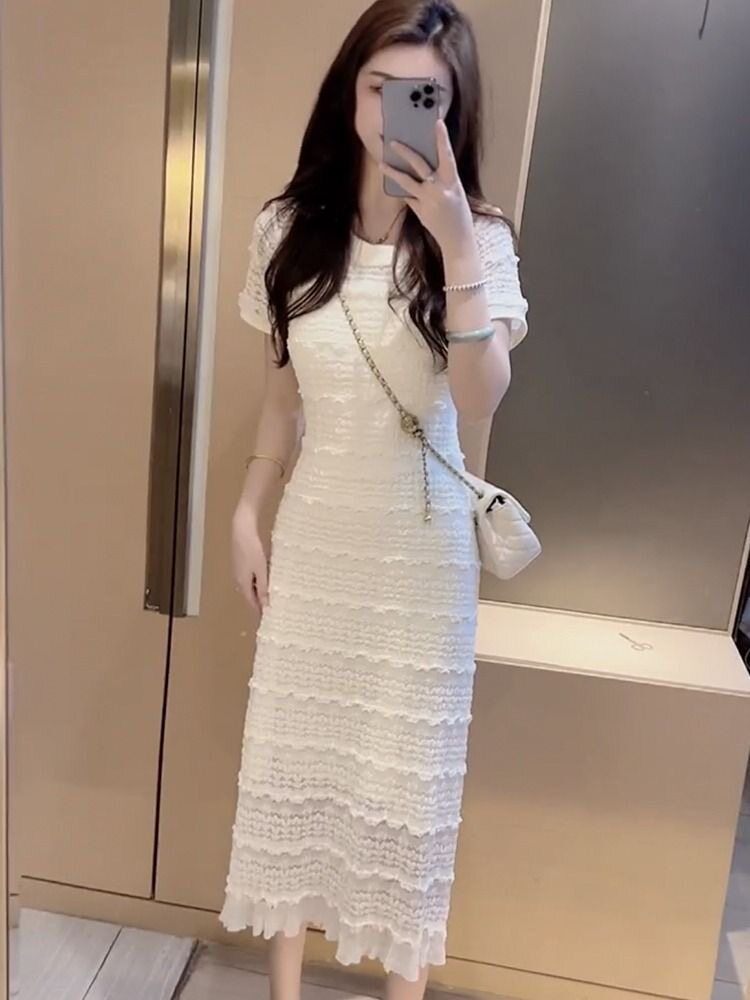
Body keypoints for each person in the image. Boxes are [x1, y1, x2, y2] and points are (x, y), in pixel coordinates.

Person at [219, 2, 529, 999]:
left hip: (420, 562)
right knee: (293, 769)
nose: (393, 109)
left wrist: (457, 247)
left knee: (407, 792)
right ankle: (282, 989)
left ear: (452, 108)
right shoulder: (286, 231)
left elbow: (479, 400)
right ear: (348, 90)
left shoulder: (479, 240)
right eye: (377, 86)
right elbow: (282, 400)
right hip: (318, 543)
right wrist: (245, 514)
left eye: (420, 94)